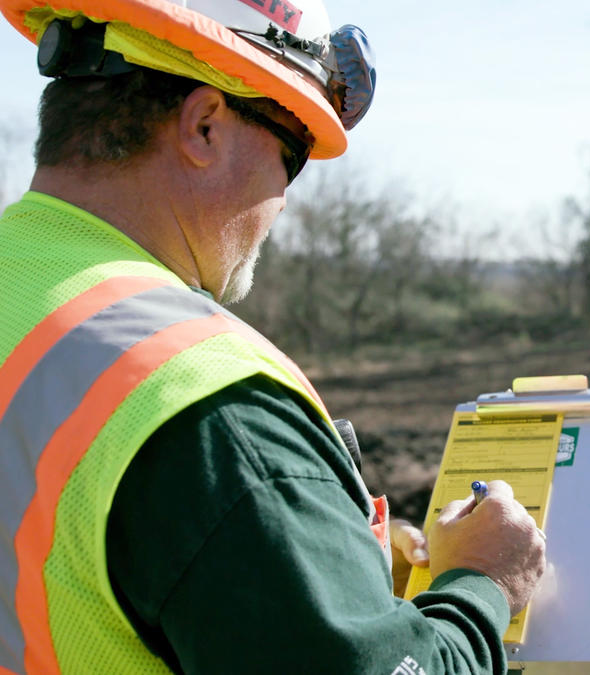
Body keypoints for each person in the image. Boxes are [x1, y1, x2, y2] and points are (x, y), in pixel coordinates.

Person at [0, 1, 546, 673]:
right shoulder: (201, 399)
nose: (284, 197)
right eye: (292, 156)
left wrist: (330, 575)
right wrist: (484, 583)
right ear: (204, 124)